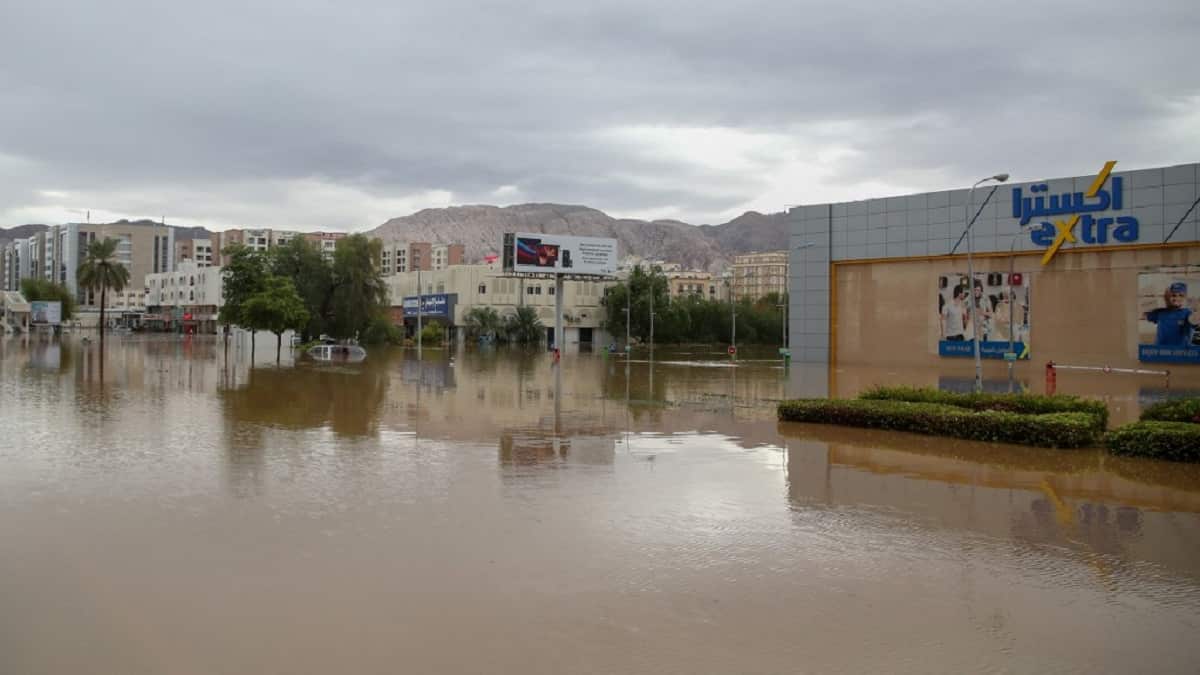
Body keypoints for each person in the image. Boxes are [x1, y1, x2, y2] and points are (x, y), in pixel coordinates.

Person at [1144, 282, 1199, 347]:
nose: (1177, 298)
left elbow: (1194, 322)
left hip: (1181, 353)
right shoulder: (1160, 312)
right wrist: (1148, 299)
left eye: (1181, 295)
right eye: (1174, 295)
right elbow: (1145, 315)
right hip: (1161, 352)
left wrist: (1196, 309)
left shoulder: (1187, 312)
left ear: (1185, 298)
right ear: (1169, 297)